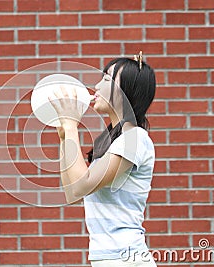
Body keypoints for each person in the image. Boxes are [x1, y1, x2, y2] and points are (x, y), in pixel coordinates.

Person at [49, 52, 157, 267]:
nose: (96, 87)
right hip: (107, 258)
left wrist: (72, 127)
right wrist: (64, 137)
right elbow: (72, 192)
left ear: (127, 91)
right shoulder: (115, 142)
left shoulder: (134, 139)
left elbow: (82, 185)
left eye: (106, 79)